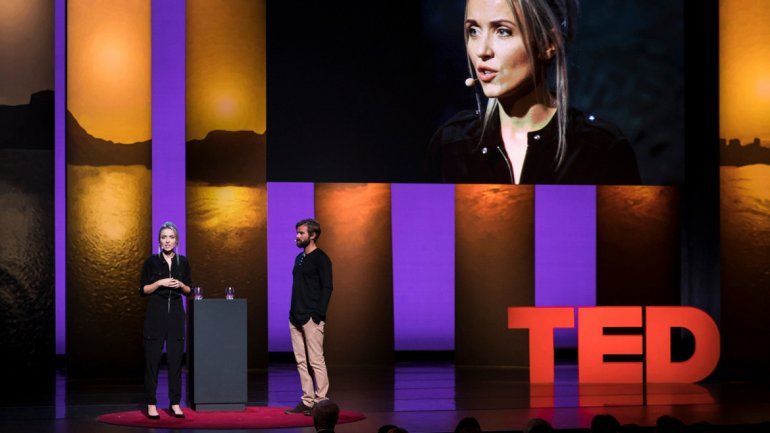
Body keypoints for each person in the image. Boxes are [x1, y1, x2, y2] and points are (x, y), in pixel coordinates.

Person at [425, 0, 641, 185]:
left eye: (503, 31)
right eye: (473, 30)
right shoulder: (453, 144)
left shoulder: (599, 148)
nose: (482, 50)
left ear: (547, 43)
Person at [139, 222, 192, 420]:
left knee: (175, 361)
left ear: (176, 241)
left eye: (171, 237)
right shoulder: (151, 262)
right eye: (163, 237)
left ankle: (175, 403)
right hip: (155, 316)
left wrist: (181, 284)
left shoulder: (183, 262)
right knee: (152, 361)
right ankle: (151, 403)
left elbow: (190, 290)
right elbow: (143, 290)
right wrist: (159, 283)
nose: (167, 240)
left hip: (176, 317)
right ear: (159, 241)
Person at [285, 218, 334, 415]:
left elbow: (327, 287)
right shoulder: (299, 258)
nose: (297, 236)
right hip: (295, 316)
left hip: (311, 317)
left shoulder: (322, 258)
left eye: (301, 233)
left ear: (312, 235)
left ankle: (321, 402)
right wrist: (292, 313)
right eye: (297, 233)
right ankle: (307, 400)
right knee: (301, 361)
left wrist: (317, 314)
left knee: (316, 360)